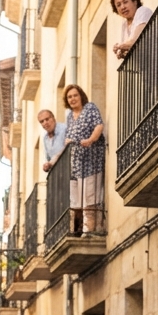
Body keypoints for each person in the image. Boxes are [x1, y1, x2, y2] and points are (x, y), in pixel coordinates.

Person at [63, 84, 104, 236]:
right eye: (69, 97)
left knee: (90, 198)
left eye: (75, 95)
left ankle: (89, 230)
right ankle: (78, 230)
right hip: (76, 166)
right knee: (77, 201)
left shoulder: (90, 108)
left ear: (81, 96)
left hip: (91, 161)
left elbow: (99, 126)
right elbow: (68, 136)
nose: (72, 99)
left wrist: (91, 140)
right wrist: (67, 141)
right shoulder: (69, 117)